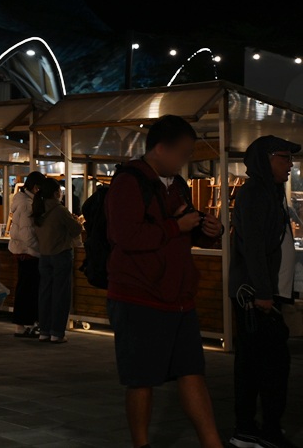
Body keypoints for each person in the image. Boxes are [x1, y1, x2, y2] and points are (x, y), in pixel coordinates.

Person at [105, 115, 224, 448]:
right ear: (161, 149)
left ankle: (212, 443)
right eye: (183, 153)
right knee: (141, 380)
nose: (186, 161)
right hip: (139, 296)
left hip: (179, 297)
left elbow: (183, 230)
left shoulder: (176, 184)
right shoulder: (129, 182)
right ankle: (141, 444)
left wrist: (207, 230)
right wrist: (178, 227)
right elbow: (126, 236)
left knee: (192, 371)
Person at [229, 136, 300, 448]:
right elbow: (254, 246)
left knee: (257, 363)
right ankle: (262, 430)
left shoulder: (268, 192)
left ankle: (251, 429)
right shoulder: (256, 193)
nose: (290, 164)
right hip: (256, 296)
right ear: (266, 160)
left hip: (262, 293)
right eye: (284, 157)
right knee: (269, 365)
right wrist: (263, 291)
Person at [33, 177, 82, 344]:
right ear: (55, 193)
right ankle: (57, 332)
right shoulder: (60, 210)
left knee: (45, 294)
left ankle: (44, 331)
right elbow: (76, 230)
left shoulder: (38, 209)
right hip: (61, 254)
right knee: (60, 294)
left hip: (44, 255)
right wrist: (77, 221)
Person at [8, 171, 46, 338]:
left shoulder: (23, 200)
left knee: (25, 289)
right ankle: (23, 325)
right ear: (36, 187)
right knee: (28, 290)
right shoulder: (26, 204)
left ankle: (22, 324)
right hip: (29, 252)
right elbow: (27, 233)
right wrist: (39, 248)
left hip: (23, 252)